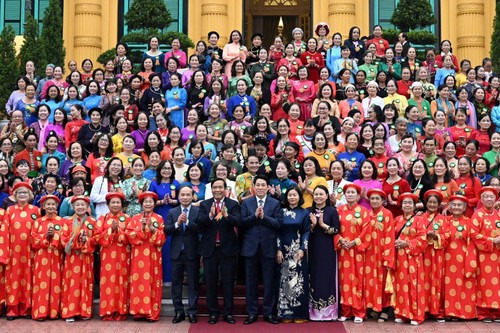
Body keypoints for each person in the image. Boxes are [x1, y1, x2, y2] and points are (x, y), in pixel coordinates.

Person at [197, 178, 241, 324]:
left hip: (227, 249)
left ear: (225, 188)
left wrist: (227, 216)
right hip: (210, 249)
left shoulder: (233, 204)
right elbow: (200, 223)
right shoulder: (205, 204)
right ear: (211, 189)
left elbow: (239, 221)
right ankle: (213, 312)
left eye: (220, 187)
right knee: (210, 282)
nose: (217, 190)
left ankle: (228, 313)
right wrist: (210, 216)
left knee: (228, 282)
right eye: (214, 187)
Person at [240, 175, 283, 325]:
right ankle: (251, 313)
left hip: (269, 248)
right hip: (250, 248)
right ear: (253, 186)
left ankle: (268, 312)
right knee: (250, 282)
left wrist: (264, 217)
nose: (259, 187)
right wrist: (255, 216)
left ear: (267, 187)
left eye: (262, 185)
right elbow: (242, 223)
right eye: (257, 185)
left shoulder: (275, 203)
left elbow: (278, 224)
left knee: (269, 282)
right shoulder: (246, 203)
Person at [126, 191, 166, 322]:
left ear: (154, 204)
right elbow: (129, 236)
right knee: (138, 282)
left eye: (151, 201)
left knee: (153, 282)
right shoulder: (135, 219)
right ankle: (138, 311)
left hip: (153, 255)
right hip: (138, 255)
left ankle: (152, 313)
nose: (148, 204)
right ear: (141, 204)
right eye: (146, 202)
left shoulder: (159, 218)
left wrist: (153, 230)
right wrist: (142, 228)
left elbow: (162, 238)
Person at [2, 182, 39, 320]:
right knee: (14, 280)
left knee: (28, 279)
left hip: (30, 252)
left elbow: (39, 230)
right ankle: (12, 309)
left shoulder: (36, 210)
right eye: (19, 193)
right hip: (14, 253)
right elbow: (5, 232)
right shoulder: (9, 211)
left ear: (29, 195)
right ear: (15, 195)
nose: (22, 195)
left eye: (25, 193)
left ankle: (26, 309)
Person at [165, 185, 200, 324]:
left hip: (192, 252)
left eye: (188, 195)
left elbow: (200, 229)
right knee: (176, 283)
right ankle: (178, 311)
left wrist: (188, 222)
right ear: (178, 197)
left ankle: (192, 311)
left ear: (192, 196)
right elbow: (166, 230)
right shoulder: (172, 212)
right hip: (176, 253)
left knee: (192, 283)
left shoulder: (197, 211)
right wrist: (177, 223)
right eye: (182, 195)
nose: (185, 197)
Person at [276, 186, 310, 323]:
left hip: (298, 252)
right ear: (286, 197)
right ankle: (286, 314)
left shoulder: (304, 213)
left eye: (295, 195)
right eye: (290, 195)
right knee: (285, 281)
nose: (292, 197)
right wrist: (278, 249)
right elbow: (277, 231)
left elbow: (306, 232)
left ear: (299, 197)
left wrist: (303, 248)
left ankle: (300, 314)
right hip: (283, 252)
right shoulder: (280, 212)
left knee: (299, 282)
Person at [336, 183, 369, 323]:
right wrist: (341, 240)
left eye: (353, 192)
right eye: (347, 192)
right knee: (344, 281)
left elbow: (367, 231)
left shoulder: (364, 211)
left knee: (358, 280)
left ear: (358, 195)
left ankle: (359, 312)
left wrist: (354, 242)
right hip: (343, 251)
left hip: (358, 251)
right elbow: (334, 229)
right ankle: (345, 311)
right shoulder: (339, 210)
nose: (350, 194)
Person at [94, 192, 130, 321]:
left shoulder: (127, 218)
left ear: (122, 204)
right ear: (108, 205)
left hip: (123, 255)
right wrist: (110, 231)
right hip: (107, 256)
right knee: (108, 282)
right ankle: (107, 310)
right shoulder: (102, 219)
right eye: (112, 202)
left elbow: (130, 238)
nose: (115, 205)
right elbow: (97, 236)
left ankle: (121, 311)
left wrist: (118, 231)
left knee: (122, 281)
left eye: (118, 202)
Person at [60, 196, 97, 322]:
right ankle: (69, 312)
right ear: (73, 207)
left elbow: (96, 239)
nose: (80, 207)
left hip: (86, 257)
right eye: (77, 205)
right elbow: (63, 238)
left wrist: (86, 240)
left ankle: (84, 312)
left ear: (87, 207)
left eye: (83, 205)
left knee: (86, 283)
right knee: (72, 283)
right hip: (72, 257)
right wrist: (75, 241)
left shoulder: (92, 222)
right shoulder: (68, 221)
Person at [393, 193, 426, 326]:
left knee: (414, 284)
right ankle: (402, 313)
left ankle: (416, 315)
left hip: (413, 257)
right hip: (399, 257)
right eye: (405, 203)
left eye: (410, 203)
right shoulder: (397, 220)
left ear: (414, 206)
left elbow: (423, 239)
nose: (407, 205)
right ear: (401, 205)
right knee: (401, 284)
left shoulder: (419, 220)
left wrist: (406, 243)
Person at [444, 195, 477, 320]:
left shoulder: (469, 222)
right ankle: (449, 312)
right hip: (447, 259)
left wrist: (470, 260)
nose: (456, 207)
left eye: (459, 205)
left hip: (463, 259)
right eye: (454, 205)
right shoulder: (445, 220)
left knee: (463, 287)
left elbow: (472, 242)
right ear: (450, 207)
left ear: (464, 208)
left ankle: (462, 313)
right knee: (449, 286)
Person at [30, 195, 63, 321]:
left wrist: (54, 237)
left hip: (56, 256)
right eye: (48, 204)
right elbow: (33, 239)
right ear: (43, 207)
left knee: (56, 283)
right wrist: (45, 236)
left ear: (56, 206)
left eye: (53, 204)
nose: (50, 206)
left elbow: (64, 240)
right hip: (41, 256)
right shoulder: (38, 222)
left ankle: (54, 312)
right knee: (41, 283)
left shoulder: (62, 221)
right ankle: (41, 312)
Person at [470, 187, 500, 322]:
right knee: (484, 283)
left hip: (498, 255)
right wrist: (492, 240)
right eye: (486, 197)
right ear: (481, 200)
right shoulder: (477, 215)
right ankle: (484, 312)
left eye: (491, 197)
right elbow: (474, 235)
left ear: (496, 199)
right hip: (484, 256)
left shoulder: (498, 214)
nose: (489, 199)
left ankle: (497, 312)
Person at [365, 188, 395, 323]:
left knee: (383, 282)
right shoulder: (367, 214)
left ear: (383, 201)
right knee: (372, 281)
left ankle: (385, 310)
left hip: (383, 253)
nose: (375, 201)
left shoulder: (387, 214)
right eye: (372, 198)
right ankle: (375, 308)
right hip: (369, 254)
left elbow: (390, 235)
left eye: (377, 199)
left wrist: (388, 256)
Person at [420, 190, 449, 322]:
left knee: (437, 281)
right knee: (423, 281)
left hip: (437, 255)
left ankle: (437, 311)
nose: (432, 205)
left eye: (435, 203)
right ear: (426, 204)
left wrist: (436, 236)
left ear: (439, 205)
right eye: (430, 202)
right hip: (423, 254)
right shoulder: (420, 218)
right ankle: (423, 309)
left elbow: (448, 236)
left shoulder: (443, 219)